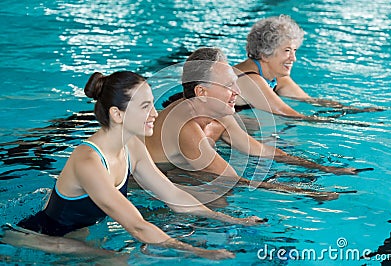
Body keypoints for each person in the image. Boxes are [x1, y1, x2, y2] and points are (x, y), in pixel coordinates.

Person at [3, 71, 268, 260]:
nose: (155, 113)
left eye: (152, 104)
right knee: (118, 259)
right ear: (117, 114)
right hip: (44, 237)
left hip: (82, 231)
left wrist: (232, 219)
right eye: (144, 107)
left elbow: (173, 196)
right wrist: (197, 252)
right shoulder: (89, 162)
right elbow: (137, 226)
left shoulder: (133, 146)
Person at [145, 47, 370, 202]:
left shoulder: (218, 112)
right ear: (202, 92)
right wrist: (302, 192)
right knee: (221, 199)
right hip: (146, 184)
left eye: (235, 83)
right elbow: (234, 179)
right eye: (228, 85)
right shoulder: (187, 129)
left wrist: (325, 169)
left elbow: (261, 150)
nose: (238, 91)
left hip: (181, 170)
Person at [233, 15, 382, 118]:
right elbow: (288, 114)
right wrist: (343, 124)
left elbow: (311, 101)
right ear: (265, 54)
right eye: (286, 51)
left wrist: (355, 110)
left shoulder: (274, 76)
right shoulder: (250, 79)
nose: (293, 58)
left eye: (294, 50)